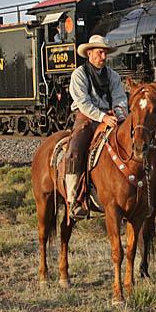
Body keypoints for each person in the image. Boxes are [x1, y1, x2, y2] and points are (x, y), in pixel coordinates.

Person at [65, 34, 128, 219]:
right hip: (87, 118)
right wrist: (101, 117)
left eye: (105, 53)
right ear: (89, 53)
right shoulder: (79, 74)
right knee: (75, 149)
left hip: (110, 117)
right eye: (100, 52)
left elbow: (120, 98)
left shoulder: (113, 76)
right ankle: (73, 198)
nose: (103, 57)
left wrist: (120, 114)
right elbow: (83, 103)